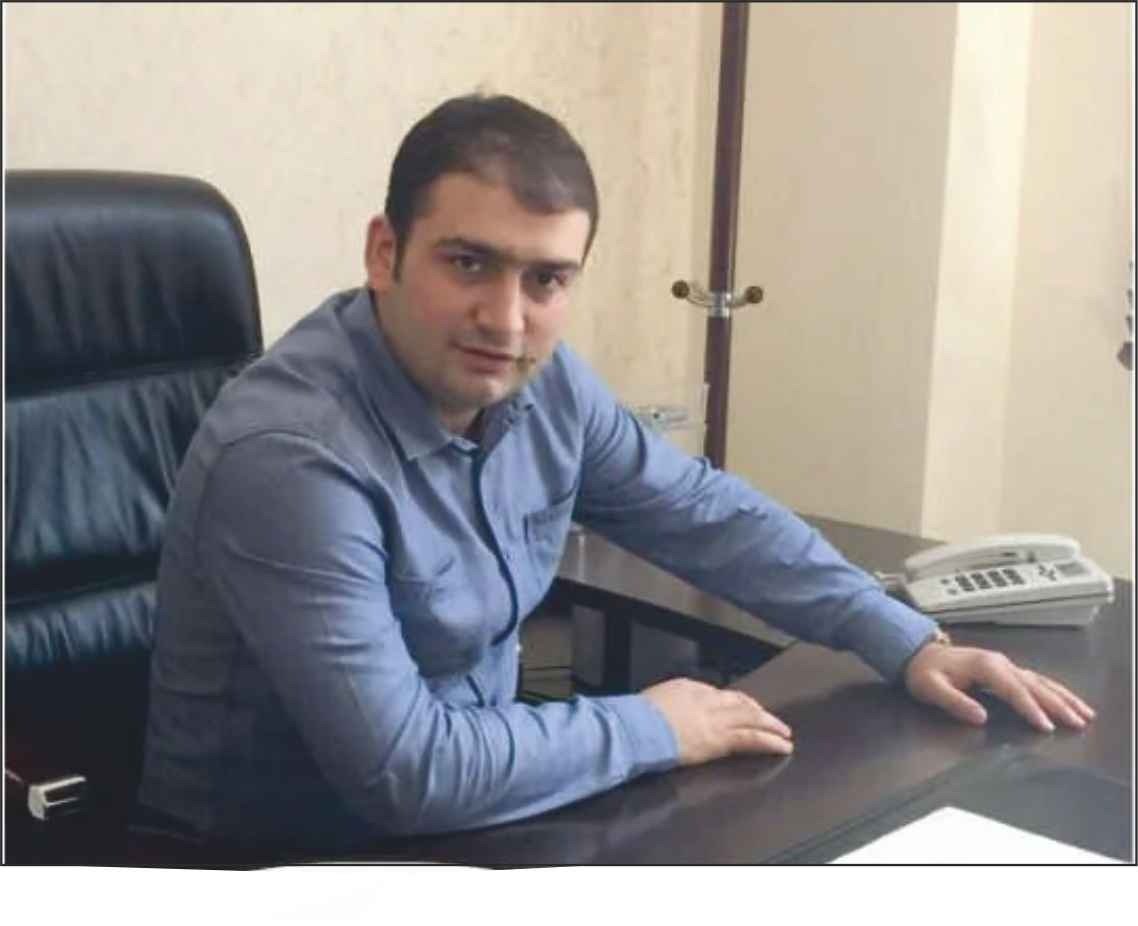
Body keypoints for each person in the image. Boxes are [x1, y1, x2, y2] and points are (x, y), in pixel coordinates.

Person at [137, 93, 1095, 852]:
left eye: (546, 279)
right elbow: (405, 771)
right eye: (468, 263)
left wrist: (903, 639)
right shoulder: (292, 455)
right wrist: (653, 726)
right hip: (280, 859)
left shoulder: (541, 384)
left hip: (480, 815)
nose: (507, 319)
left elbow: (701, 512)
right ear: (384, 253)